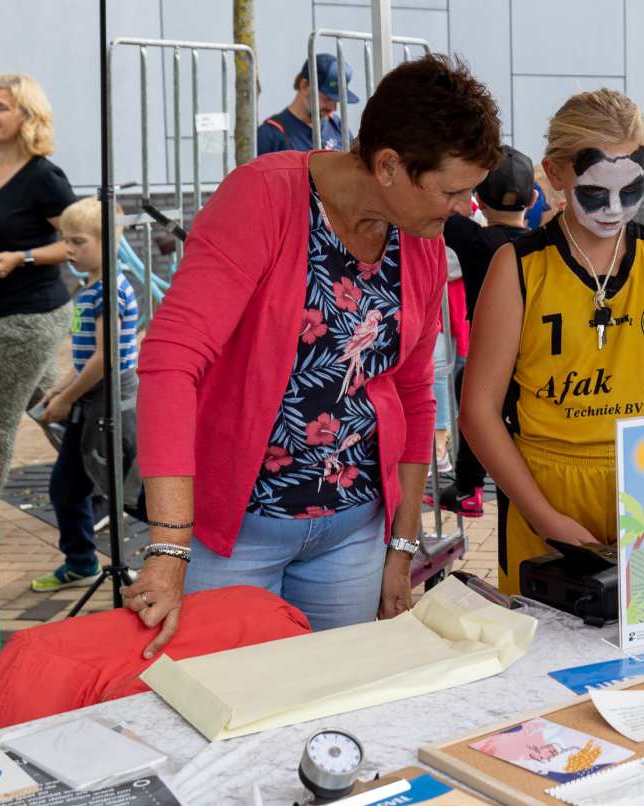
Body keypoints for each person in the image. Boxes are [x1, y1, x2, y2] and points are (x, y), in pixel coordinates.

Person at [127, 55, 502, 655]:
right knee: (232, 698)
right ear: (388, 166)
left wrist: (401, 549)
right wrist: (169, 547)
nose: (466, 208)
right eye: (453, 190)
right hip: (235, 536)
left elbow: (412, 393)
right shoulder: (263, 197)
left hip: (351, 535)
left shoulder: (421, 241)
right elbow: (171, 361)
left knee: (335, 696)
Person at [461, 89, 644, 596]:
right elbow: (478, 410)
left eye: (632, 190)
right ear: (554, 174)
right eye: (594, 193)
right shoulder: (518, 267)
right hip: (545, 497)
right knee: (550, 640)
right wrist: (543, 517)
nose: (613, 208)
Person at [0, 73, 77, 505]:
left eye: (1, 107)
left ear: (27, 117)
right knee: (54, 411)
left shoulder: (43, 177)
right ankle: (117, 481)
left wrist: (23, 257)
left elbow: (79, 241)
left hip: (30, 318)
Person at [28, 198, 141, 592]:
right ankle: (81, 561)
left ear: (107, 242)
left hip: (107, 403)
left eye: (79, 241)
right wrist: (61, 387)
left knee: (127, 489)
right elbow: (87, 357)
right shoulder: (90, 288)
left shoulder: (108, 291)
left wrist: (64, 399)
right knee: (69, 486)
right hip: (92, 398)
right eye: (66, 240)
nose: (69, 249)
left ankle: (168, 556)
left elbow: (105, 358)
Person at [432, 145, 538, 517]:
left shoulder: (474, 239)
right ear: (534, 199)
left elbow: (442, 212)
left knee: (472, 400)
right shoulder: (542, 245)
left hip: (488, 359)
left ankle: (469, 488)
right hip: (534, 358)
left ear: (477, 197)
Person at [257, 54, 358, 154]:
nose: (334, 108)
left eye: (337, 100)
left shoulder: (338, 126)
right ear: (304, 86)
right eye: (327, 99)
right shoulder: (269, 135)